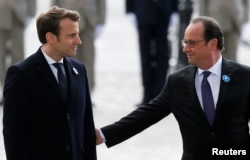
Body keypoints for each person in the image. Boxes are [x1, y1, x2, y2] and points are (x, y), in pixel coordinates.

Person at [96, 16, 250, 160]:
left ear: (212, 44)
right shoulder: (178, 82)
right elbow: (145, 116)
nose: (185, 49)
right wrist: (103, 134)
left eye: (192, 43)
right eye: (185, 42)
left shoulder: (244, 77)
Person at [3, 6, 97, 160]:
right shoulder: (21, 74)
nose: (78, 41)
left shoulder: (79, 70)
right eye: (71, 35)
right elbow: (13, 135)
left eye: (78, 34)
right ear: (51, 38)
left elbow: (87, 129)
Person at [125, 0, 178, 106]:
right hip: (143, 10)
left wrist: (175, 9)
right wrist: (130, 9)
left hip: (164, 11)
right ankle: (147, 94)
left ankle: (160, 94)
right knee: (145, 57)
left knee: (163, 56)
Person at [52, 0, 106, 93]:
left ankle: (87, 91)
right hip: (67, 17)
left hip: (89, 19)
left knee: (88, 58)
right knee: (68, 57)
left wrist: (101, 19)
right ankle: (70, 90)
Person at [0, 0, 36, 105]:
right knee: (0, 57)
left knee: (18, 55)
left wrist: (31, 14)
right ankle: (6, 90)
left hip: (18, 15)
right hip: (1, 12)